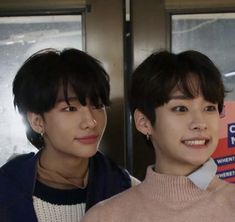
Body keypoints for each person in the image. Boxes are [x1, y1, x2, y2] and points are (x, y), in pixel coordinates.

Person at [81, 50, 235, 222]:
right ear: (144, 122)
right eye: (180, 109)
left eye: (209, 108)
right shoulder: (105, 217)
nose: (200, 123)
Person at [0, 48, 139, 222]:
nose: (90, 122)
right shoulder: (7, 188)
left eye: (97, 105)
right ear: (37, 121)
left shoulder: (128, 189)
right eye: (70, 109)